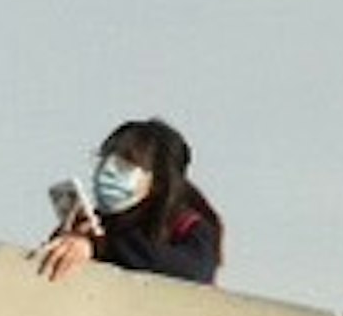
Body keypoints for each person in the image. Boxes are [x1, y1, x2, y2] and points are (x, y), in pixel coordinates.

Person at [34, 117, 223, 286]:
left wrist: (104, 246)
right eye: (104, 159)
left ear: (158, 182)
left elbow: (193, 273)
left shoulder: (187, 227)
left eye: (124, 165)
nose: (107, 170)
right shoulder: (99, 223)